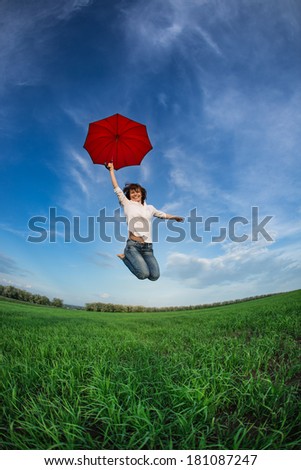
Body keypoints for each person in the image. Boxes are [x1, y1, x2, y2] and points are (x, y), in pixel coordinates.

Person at [106, 162, 184, 281]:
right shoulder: (126, 203)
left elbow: (162, 214)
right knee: (143, 275)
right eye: (132, 192)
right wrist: (111, 170)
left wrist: (174, 217)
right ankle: (125, 258)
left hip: (148, 248)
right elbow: (116, 188)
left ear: (142, 193)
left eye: (137, 191)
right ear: (129, 195)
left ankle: (129, 258)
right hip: (133, 246)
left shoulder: (150, 208)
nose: (135, 194)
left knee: (154, 276)